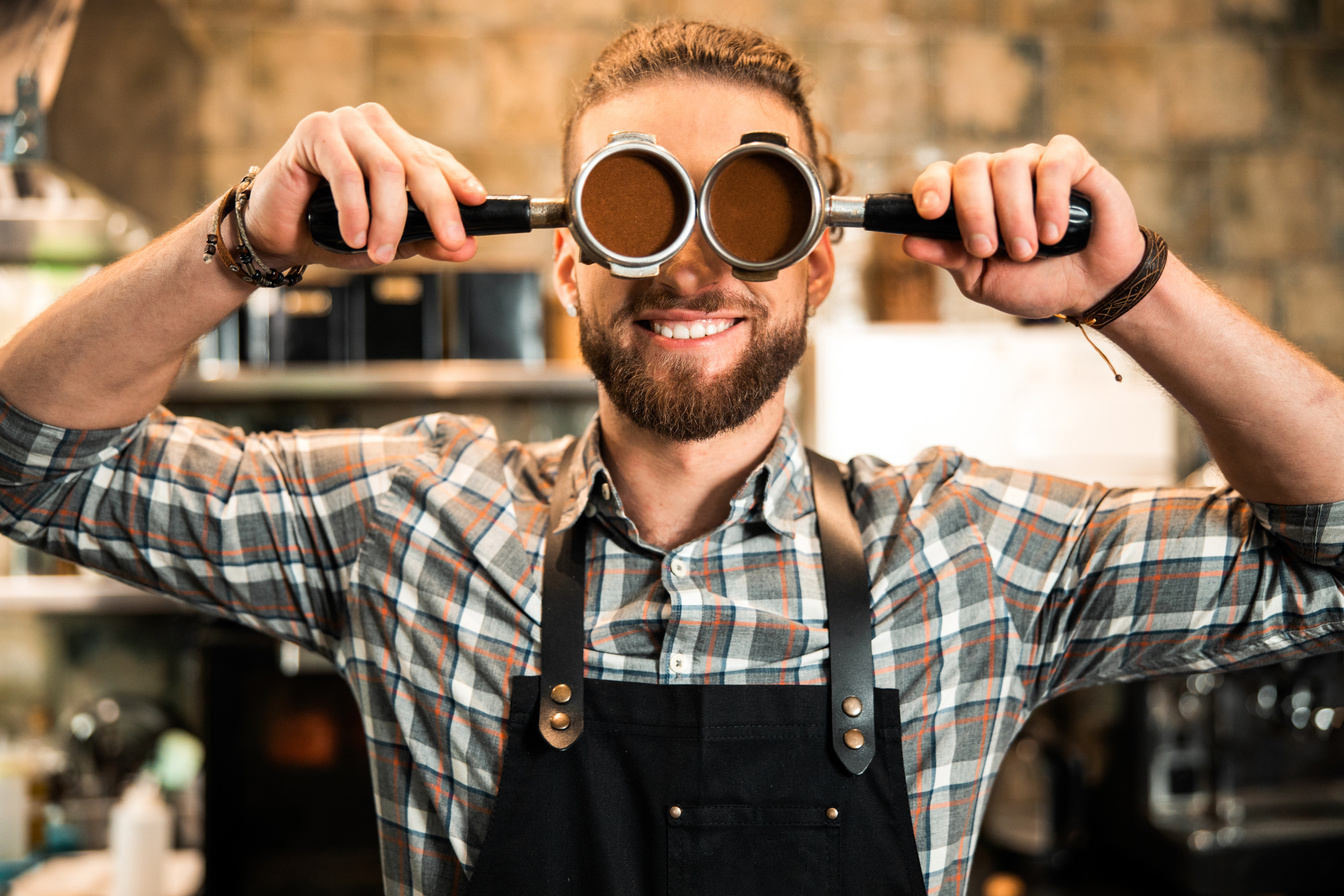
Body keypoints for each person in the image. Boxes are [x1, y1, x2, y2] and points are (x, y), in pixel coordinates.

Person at [2, 18, 1343, 896]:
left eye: (752, 207)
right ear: (572, 258)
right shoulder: (408, 518)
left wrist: (1135, 287)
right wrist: (245, 237)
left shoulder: (967, 554)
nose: (693, 258)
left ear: (821, 256)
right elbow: (31, 462)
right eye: (638, 206)